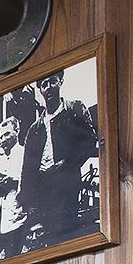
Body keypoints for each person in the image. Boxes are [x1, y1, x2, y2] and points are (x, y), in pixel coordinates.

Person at [17, 70, 97, 244]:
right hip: (42, 187)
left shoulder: (74, 109)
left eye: (52, 81)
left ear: (60, 81)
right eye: (44, 85)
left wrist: (65, 164)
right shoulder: (34, 129)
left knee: (65, 233)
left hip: (67, 180)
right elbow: (27, 169)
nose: (49, 88)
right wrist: (25, 200)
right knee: (44, 237)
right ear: (40, 90)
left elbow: (90, 142)